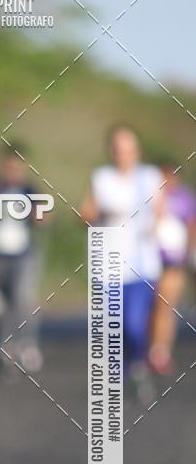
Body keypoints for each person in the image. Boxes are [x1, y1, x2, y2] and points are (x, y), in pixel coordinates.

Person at [81, 125, 163, 399]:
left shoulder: (150, 177)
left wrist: (157, 228)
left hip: (143, 266)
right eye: (117, 148)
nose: (123, 154)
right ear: (111, 151)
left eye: (128, 148)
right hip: (108, 266)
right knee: (111, 326)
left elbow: (162, 213)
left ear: (137, 150)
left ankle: (137, 366)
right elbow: (84, 215)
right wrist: (101, 213)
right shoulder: (101, 178)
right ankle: (116, 380)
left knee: (135, 325)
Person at [0, 145, 45, 374]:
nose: (12, 172)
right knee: (5, 302)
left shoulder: (30, 190)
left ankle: (28, 344)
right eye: (8, 167)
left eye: (16, 168)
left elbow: (44, 218)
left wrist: (35, 213)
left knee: (22, 299)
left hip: (24, 253)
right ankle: (7, 347)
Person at [148, 162, 196, 374]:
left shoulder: (185, 199)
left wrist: (187, 254)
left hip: (174, 261)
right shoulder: (149, 197)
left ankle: (160, 351)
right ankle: (145, 347)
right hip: (149, 259)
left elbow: (191, 226)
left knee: (166, 306)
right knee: (149, 307)